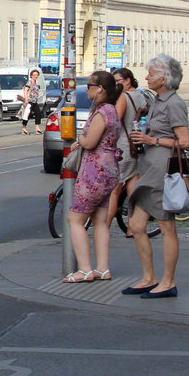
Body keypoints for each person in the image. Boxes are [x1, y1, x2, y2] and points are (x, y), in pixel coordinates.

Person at [124, 55, 189, 299]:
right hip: (149, 170)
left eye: (151, 73)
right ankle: (149, 278)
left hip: (164, 172)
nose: (147, 76)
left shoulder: (174, 103)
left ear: (165, 78)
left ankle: (168, 282)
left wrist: (153, 140)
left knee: (166, 226)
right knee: (136, 225)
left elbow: (184, 142)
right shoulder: (157, 101)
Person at [62, 70, 122, 283]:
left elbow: (89, 143)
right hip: (109, 171)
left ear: (100, 89)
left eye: (89, 85)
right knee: (100, 220)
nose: (87, 88)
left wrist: (80, 136)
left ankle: (85, 269)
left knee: (75, 219)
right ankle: (103, 268)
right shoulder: (113, 111)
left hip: (94, 171)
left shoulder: (101, 113)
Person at [106, 67, 151, 230]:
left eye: (117, 81)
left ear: (127, 80)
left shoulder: (124, 97)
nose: (115, 85)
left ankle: (105, 227)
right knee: (133, 189)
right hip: (138, 145)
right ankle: (134, 227)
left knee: (114, 191)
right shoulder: (141, 95)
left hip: (123, 147)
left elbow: (114, 121)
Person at [18, 68, 46, 134]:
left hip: (34, 101)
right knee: (27, 115)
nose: (36, 76)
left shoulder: (36, 83)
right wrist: (26, 99)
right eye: (34, 75)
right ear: (31, 76)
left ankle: (37, 128)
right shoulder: (30, 82)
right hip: (29, 101)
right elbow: (25, 90)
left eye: (37, 75)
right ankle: (24, 128)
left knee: (38, 113)